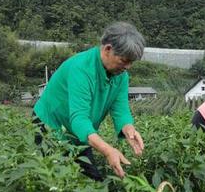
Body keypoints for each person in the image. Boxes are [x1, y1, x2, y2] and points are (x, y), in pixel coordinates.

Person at [33, 21, 146, 180]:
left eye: (131, 62)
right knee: (53, 178)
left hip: (79, 131)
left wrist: (128, 129)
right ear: (107, 49)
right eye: (124, 60)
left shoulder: (121, 76)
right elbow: (79, 118)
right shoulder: (82, 68)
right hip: (50, 124)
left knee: (93, 181)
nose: (128, 67)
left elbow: (120, 110)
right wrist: (108, 150)